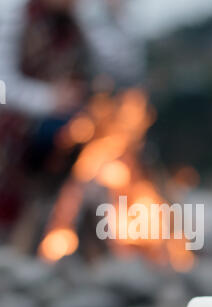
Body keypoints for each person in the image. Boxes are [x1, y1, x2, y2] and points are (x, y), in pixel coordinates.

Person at [0, 0, 145, 230]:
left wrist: (100, 17)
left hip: (73, 123)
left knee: (110, 137)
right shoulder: (13, 14)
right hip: (21, 124)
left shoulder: (83, 18)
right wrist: (49, 99)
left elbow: (126, 72)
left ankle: (87, 226)